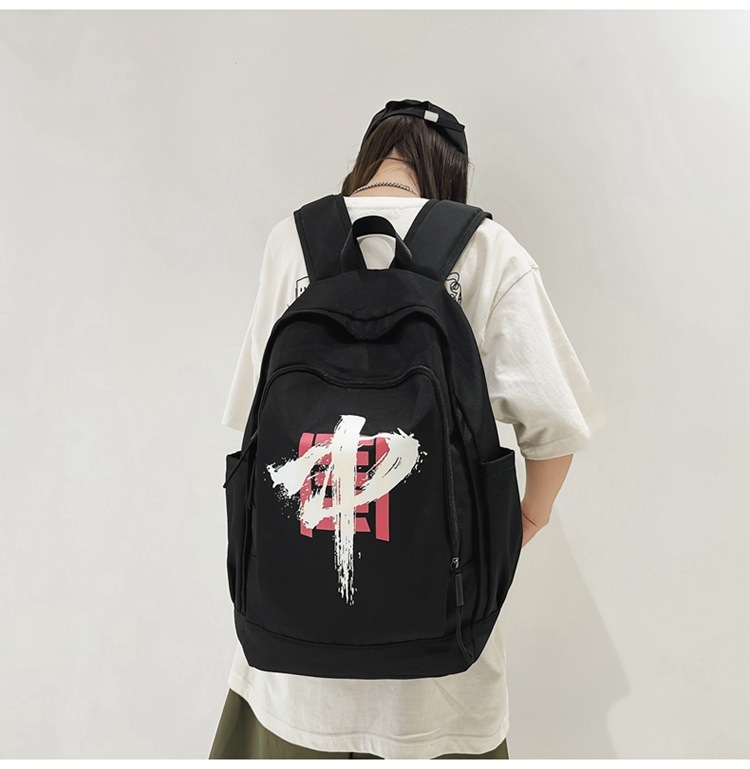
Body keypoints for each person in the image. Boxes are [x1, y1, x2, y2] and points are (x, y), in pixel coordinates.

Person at [209, 99, 606, 760]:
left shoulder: (293, 241)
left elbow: (251, 419)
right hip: (440, 685)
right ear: (450, 175)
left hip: (290, 669)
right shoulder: (488, 250)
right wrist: (523, 521)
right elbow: (557, 426)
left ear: (369, 157)